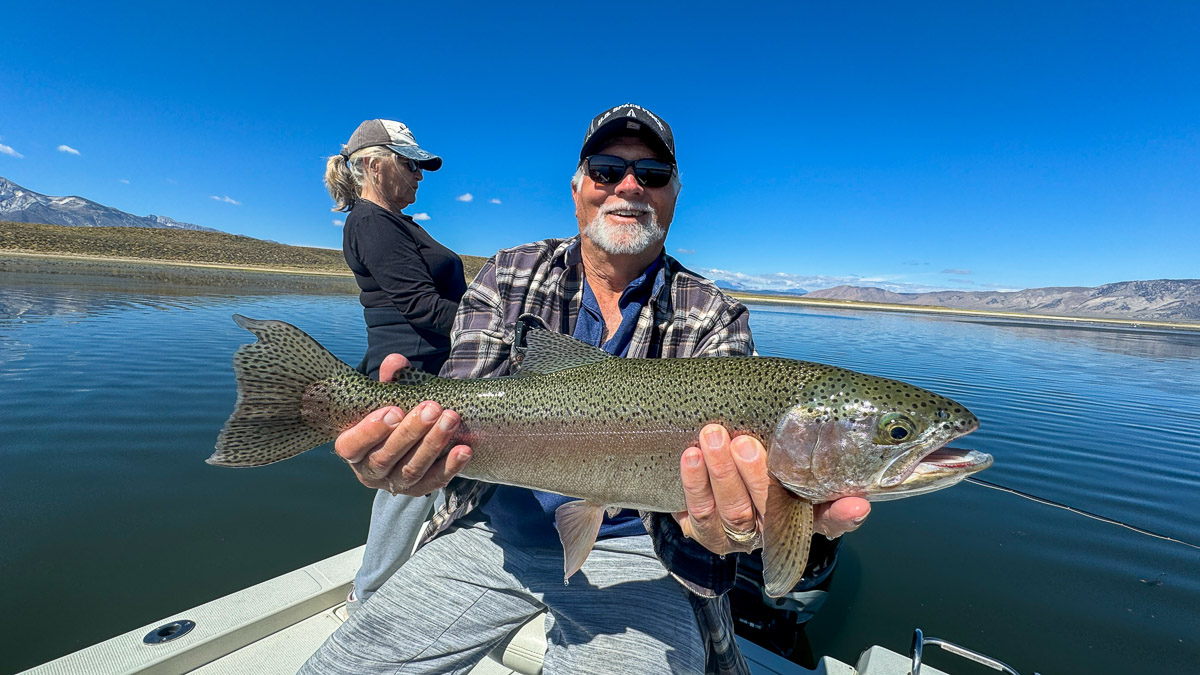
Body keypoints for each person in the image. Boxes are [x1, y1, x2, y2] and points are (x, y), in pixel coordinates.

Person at [302, 104, 871, 674]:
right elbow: (462, 396)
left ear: (674, 195)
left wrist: (718, 530)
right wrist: (408, 457)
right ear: (578, 188)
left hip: (643, 554)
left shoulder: (715, 316)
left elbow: (713, 528)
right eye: (605, 170)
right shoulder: (508, 273)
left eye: (651, 175)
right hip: (494, 532)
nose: (629, 186)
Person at [323, 119, 466, 613]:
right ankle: (368, 599)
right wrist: (496, 328)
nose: (419, 176)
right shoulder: (371, 221)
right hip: (410, 374)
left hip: (433, 371)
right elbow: (422, 308)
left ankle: (420, 578)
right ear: (375, 165)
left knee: (433, 482)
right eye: (411, 164)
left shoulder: (393, 222)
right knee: (407, 488)